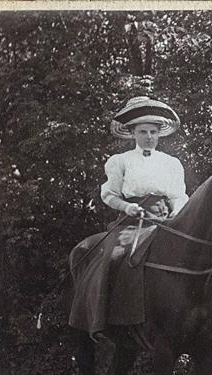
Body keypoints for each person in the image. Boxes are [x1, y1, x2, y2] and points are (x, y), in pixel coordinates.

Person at [68, 96, 188, 337]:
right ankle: (102, 322)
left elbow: (180, 195)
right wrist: (126, 207)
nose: (149, 137)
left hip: (166, 221)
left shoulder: (172, 163)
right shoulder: (120, 161)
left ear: (159, 134)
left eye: (153, 132)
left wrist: (177, 211)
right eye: (143, 132)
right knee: (114, 256)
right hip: (132, 222)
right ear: (133, 133)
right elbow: (109, 194)